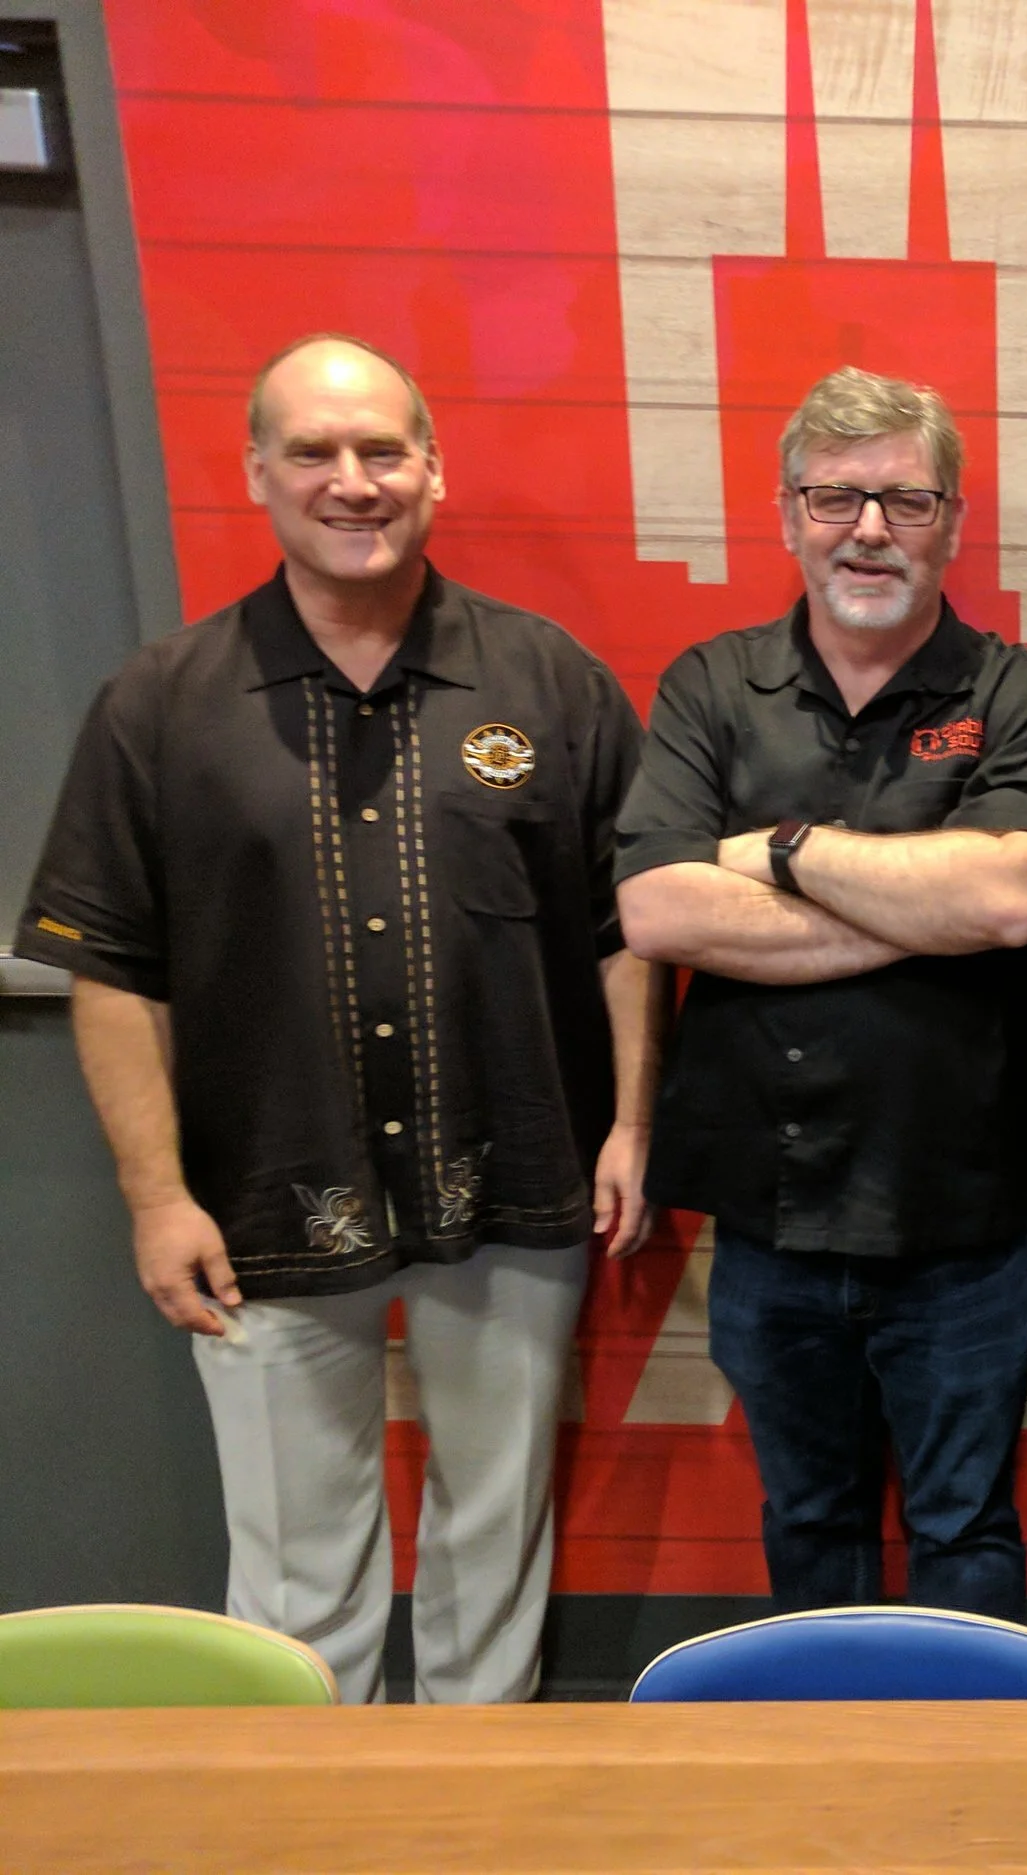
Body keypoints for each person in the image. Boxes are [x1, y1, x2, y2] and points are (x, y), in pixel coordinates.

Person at [15, 333, 666, 1703]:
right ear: (258, 471)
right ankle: (308, 1802)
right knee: (300, 1573)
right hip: (258, 1195)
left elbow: (626, 929)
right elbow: (114, 967)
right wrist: (155, 1197)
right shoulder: (161, 702)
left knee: (495, 1535)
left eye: (383, 449)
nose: (352, 480)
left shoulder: (548, 681)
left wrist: (629, 1123)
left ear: (434, 468)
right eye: (313, 450)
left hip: (513, 1176)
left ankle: (473, 1795)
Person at [615, 366, 1027, 1618]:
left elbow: (1010, 902)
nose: (869, 529)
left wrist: (776, 850)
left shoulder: (1023, 699)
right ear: (788, 515)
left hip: (961, 1228)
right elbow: (656, 912)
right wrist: (924, 908)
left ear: (951, 523)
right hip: (766, 1228)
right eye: (836, 497)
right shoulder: (711, 688)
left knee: (964, 1528)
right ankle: (824, 1740)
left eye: (904, 500)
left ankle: (965, 1748)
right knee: (808, 1521)